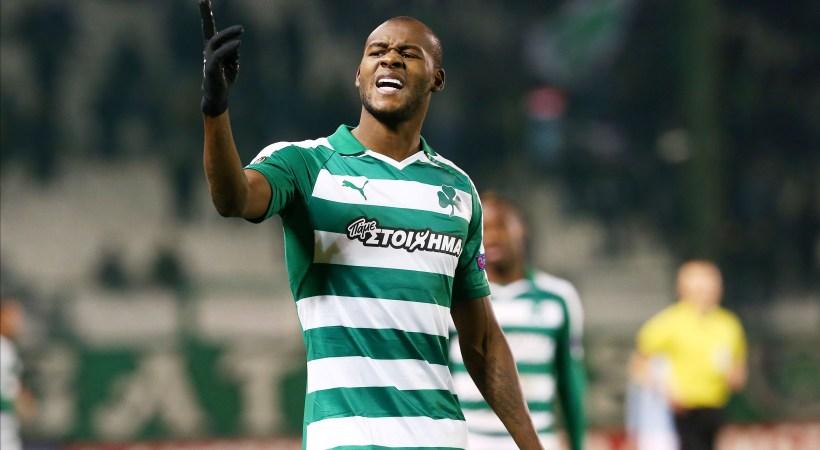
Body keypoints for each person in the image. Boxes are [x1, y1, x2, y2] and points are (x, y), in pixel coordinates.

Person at [197, 2, 544, 449]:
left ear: (437, 78)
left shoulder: (458, 191)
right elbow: (233, 198)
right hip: (347, 438)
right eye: (377, 51)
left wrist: (532, 444)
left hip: (439, 437)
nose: (390, 58)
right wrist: (215, 109)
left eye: (408, 53)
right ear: (358, 75)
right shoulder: (306, 165)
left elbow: (482, 343)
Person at [449, 192, 586, 450]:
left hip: (538, 438)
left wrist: (578, 445)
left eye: (500, 226)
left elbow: (570, 379)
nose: (491, 237)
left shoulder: (558, 297)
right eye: (483, 228)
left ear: (521, 228)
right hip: (471, 439)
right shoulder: (455, 297)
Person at [634, 260, 747, 450]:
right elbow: (640, 365)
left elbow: (738, 369)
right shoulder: (668, 322)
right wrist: (666, 390)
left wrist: (733, 377)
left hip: (715, 406)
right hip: (680, 409)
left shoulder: (728, 324)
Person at [1, 296, 34, 450]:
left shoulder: (7, 347)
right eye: (11, 316)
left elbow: (9, 385)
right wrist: (14, 402)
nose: (16, 322)